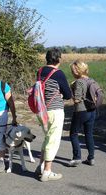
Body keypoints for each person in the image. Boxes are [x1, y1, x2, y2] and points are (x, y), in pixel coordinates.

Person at [34, 49, 72, 182]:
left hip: (41, 110)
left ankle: (41, 166)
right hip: (55, 110)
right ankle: (47, 172)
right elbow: (68, 94)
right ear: (58, 59)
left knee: (47, 138)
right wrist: (61, 94)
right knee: (53, 140)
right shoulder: (58, 73)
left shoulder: (39, 71)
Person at [68, 60, 96, 167]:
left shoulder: (79, 82)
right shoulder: (90, 79)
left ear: (77, 70)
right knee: (88, 134)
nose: (72, 72)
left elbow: (77, 99)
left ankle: (77, 158)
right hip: (92, 110)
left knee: (73, 134)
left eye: (72, 70)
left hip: (81, 111)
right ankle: (91, 158)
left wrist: (71, 91)